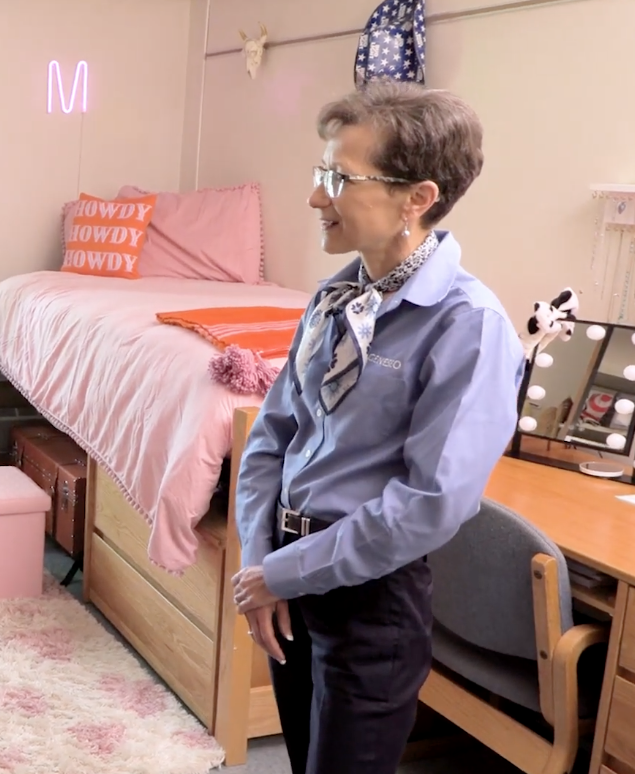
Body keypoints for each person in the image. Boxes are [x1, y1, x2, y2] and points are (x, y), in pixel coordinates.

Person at [231, 81, 524, 774]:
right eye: (319, 173)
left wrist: (284, 572)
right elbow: (274, 432)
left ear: (416, 198)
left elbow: (429, 504)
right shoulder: (337, 297)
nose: (314, 197)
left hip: (366, 601)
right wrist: (257, 557)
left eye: (338, 178)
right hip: (285, 578)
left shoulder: (468, 325)